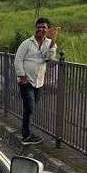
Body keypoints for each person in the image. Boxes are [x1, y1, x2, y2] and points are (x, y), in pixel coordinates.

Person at [14, 17, 59, 145]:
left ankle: (26, 133)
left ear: (48, 29)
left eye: (43, 27)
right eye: (39, 27)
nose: (41, 29)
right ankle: (27, 135)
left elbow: (48, 58)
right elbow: (18, 60)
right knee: (30, 108)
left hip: (39, 81)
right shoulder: (27, 43)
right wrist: (22, 77)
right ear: (36, 28)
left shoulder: (50, 43)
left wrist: (52, 42)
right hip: (26, 81)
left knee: (30, 108)